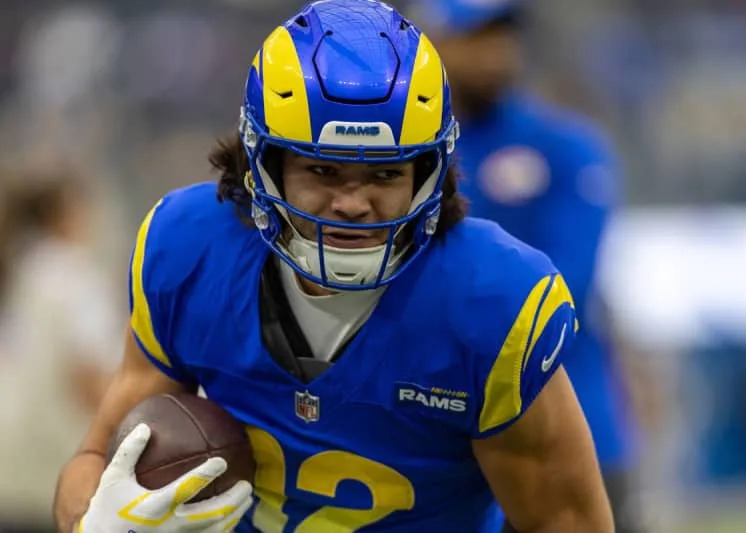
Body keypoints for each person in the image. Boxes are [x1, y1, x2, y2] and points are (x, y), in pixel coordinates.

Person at [53, 1, 613, 531]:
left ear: (428, 172)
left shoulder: (488, 300)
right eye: (322, 171)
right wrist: (96, 520)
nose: (352, 202)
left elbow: (566, 522)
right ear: (263, 164)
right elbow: (94, 457)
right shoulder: (191, 248)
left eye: (385, 174)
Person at [409, 0, 644, 530]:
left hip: (572, 426)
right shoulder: (402, 158)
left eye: (503, 35)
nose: (494, 53)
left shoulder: (568, 149)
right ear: (431, 43)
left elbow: (561, 290)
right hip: (435, 435)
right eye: (475, 36)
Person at [0, 170, 122, 531]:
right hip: (55, 471)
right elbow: (90, 383)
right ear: (64, 212)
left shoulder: (18, 269)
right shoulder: (74, 278)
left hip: (8, 465)